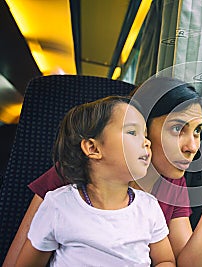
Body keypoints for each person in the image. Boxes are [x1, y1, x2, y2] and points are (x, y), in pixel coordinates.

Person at [5, 76, 202, 267]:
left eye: (198, 131)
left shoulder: (170, 186)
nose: (193, 147)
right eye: (178, 128)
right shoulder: (74, 174)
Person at [15, 96, 175, 266]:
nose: (147, 142)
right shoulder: (58, 205)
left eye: (145, 134)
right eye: (132, 132)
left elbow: (164, 260)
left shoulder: (148, 207)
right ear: (93, 148)